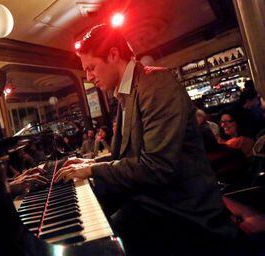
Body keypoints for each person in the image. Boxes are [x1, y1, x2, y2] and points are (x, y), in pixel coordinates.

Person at [54, 24, 238, 255]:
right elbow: (128, 158)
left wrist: (92, 171)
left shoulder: (157, 83)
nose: (89, 78)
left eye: (91, 68)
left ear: (112, 54)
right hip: (156, 203)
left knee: (101, 241)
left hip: (185, 212)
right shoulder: (126, 92)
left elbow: (157, 167)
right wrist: (90, 164)